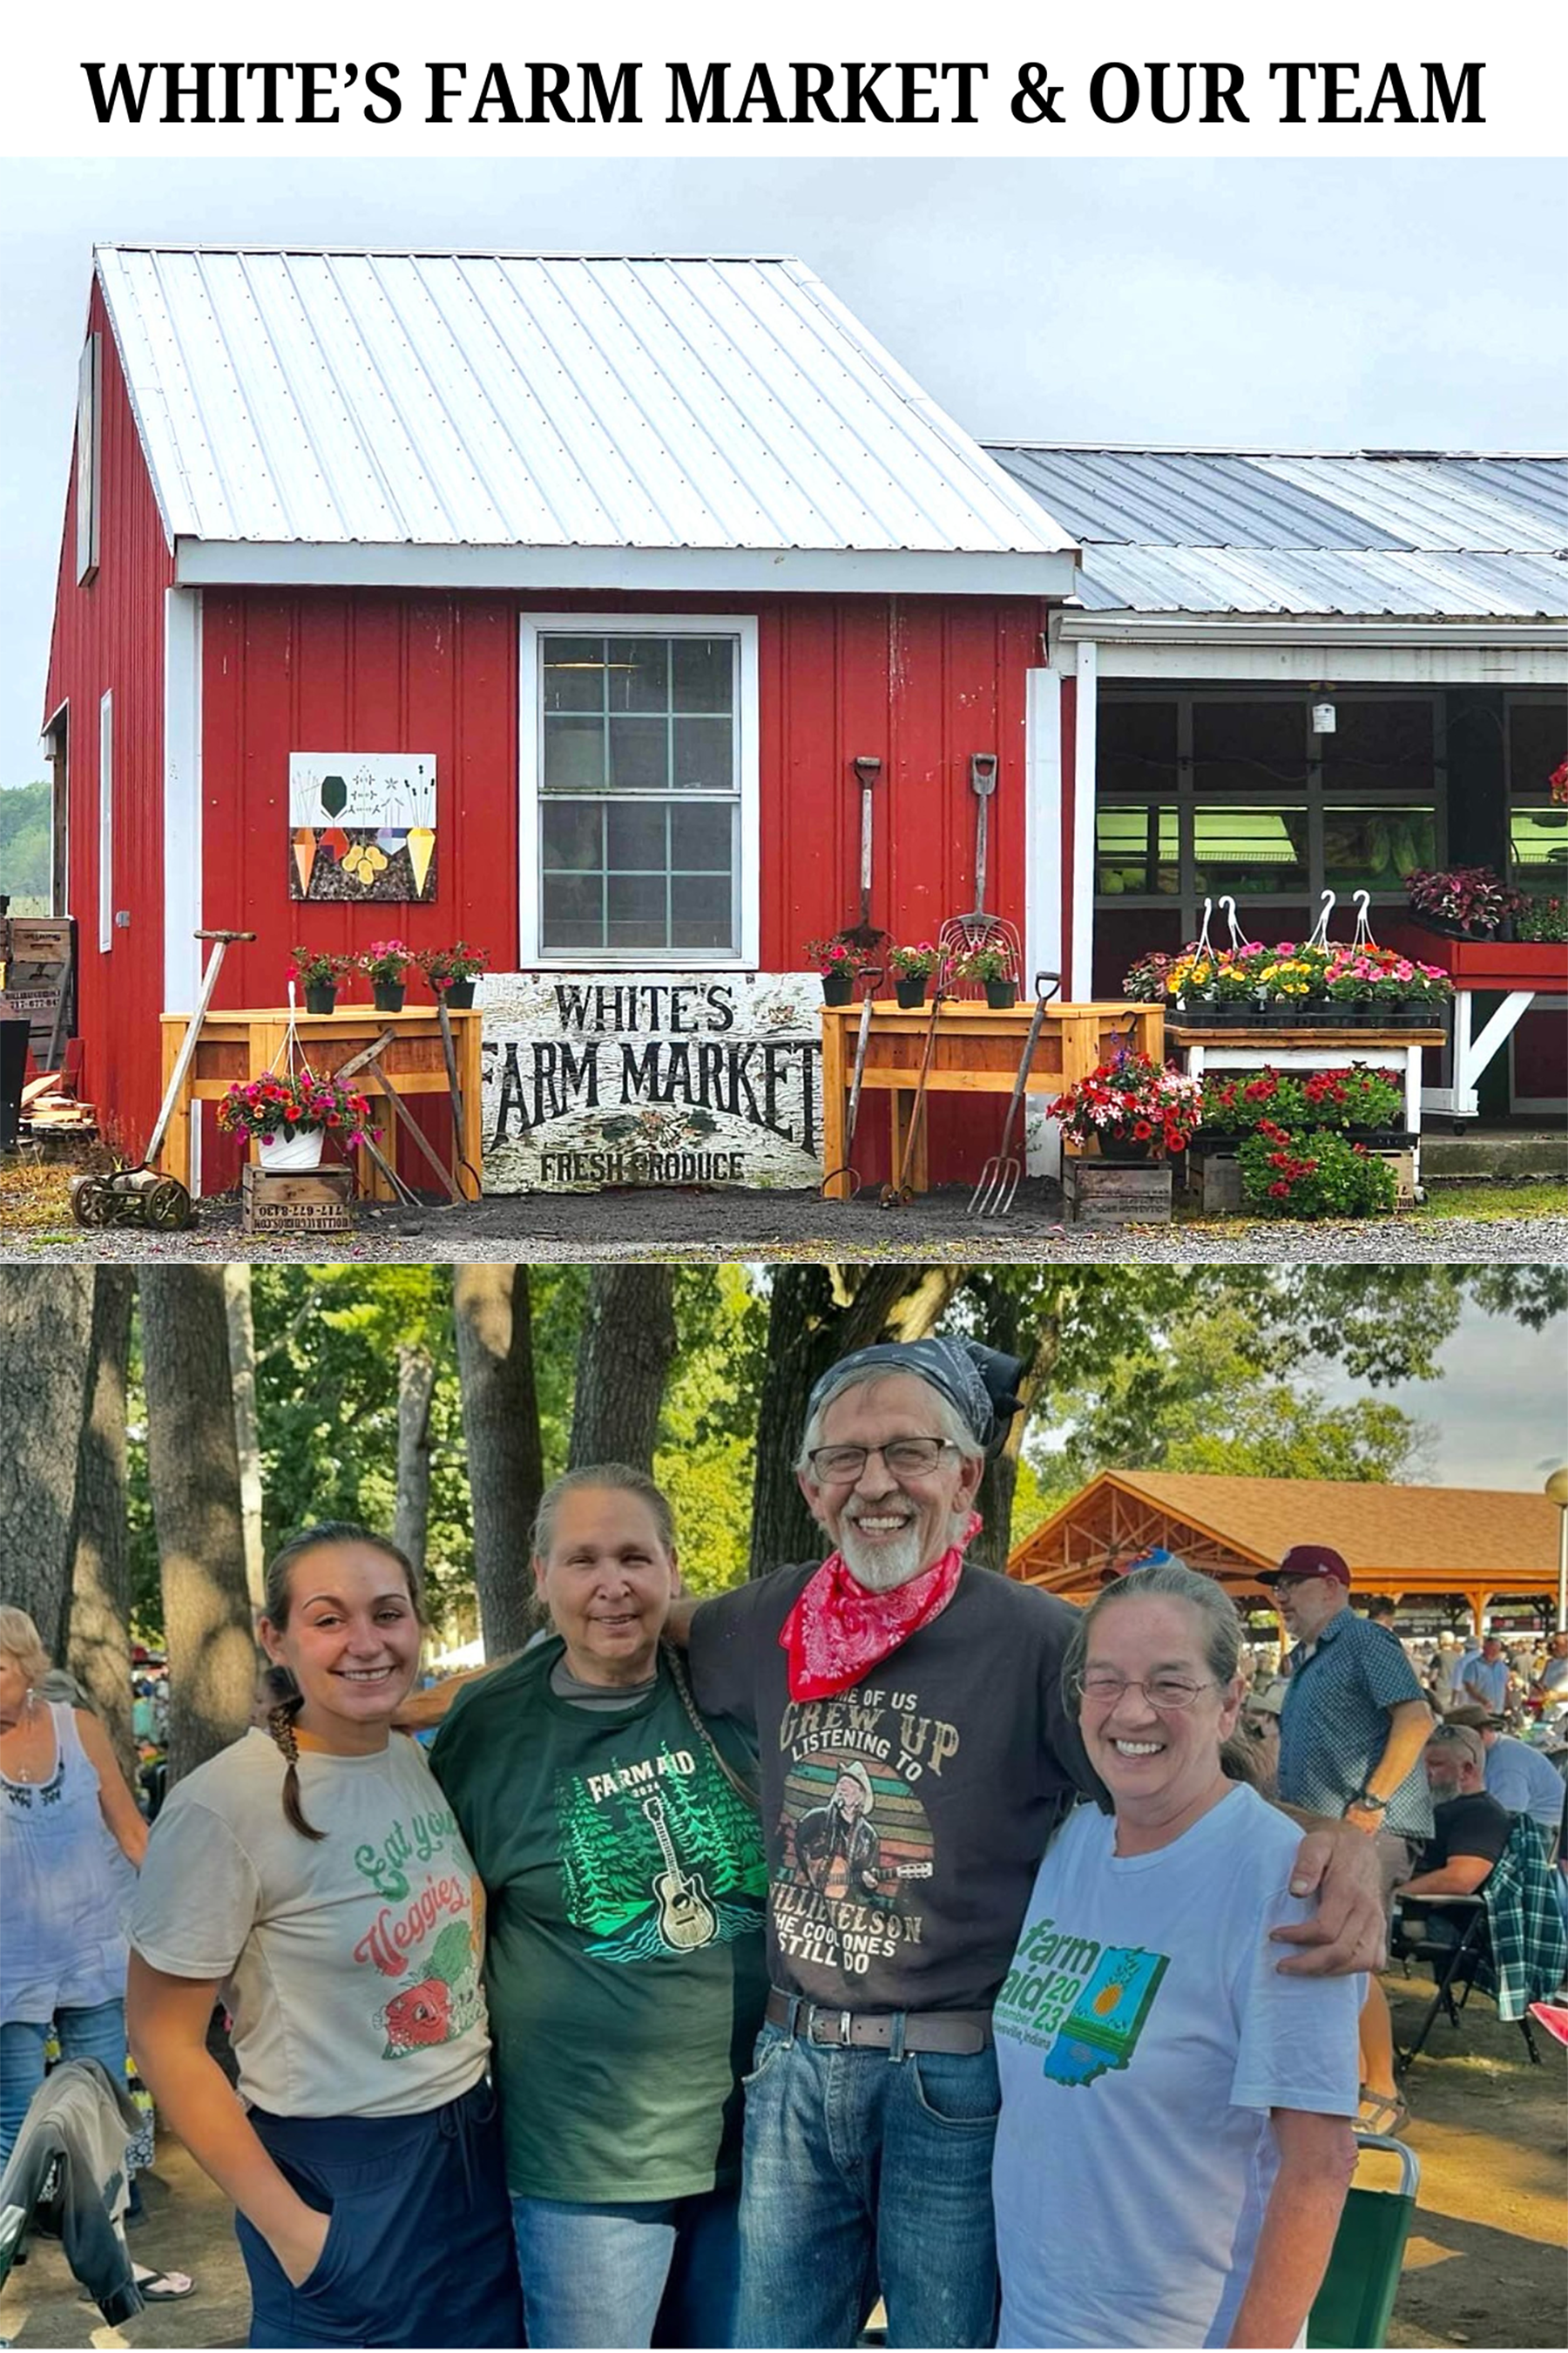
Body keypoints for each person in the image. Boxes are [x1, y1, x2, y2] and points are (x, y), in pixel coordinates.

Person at [672, 1338, 1383, 2351]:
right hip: (794, 2064)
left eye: (909, 1451)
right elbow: (624, 1628)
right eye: (846, 1457)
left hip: (950, 2077)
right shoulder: (765, 1617)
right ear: (810, 1485)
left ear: (965, 1475)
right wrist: (386, 1711)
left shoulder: (1048, 1641)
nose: (876, 1482)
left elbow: (1180, 1777)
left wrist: (1348, 1845)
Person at [125, 1523, 522, 2350]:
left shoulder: (410, 1758)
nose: (366, 1642)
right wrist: (297, 2233)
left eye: (388, 1613)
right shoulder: (222, 1806)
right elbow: (162, 2042)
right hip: (340, 2171)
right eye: (329, 1618)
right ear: (275, 1636)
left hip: (473, 2150)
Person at [429, 1466, 767, 2350]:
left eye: (634, 1556)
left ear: (673, 1570)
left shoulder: (736, 1685)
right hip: (584, 2165)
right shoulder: (489, 1726)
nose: (611, 1583)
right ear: (540, 1578)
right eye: (581, 1560)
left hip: (762, 2144)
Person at [990, 1561, 1360, 2349]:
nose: (1133, 1710)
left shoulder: (1282, 1880)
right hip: (1035, 2325)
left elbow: (1321, 2164)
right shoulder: (1077, 1841)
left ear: (1230, 1703)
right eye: (1106, 1680)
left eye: (1170, 1683)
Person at [0, 1604, 193, 2304]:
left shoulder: (77, 1729)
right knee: (17, 2125)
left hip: (91, 1946)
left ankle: (114, 2267)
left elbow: (132, 1831)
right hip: (7, 1963)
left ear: (27, 1668)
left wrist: (182, 1913)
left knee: (98, 2118)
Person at [1260, 1541, 1432, 2137]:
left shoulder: (1361, 1639)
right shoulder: (1310, 1656)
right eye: (1276, 1585)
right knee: (1336, 1955)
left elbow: (1416, 1717)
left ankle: (1380, 2090)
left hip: (1364, 1827)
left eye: (1293, 1583)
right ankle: (1350, 2089)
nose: (1279, 1595)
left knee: (1353, 1957)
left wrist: (1372, 1802)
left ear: (1333, 1587)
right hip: (1331, 1828)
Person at [1401, 1723, 1512, 1903]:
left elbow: (1460, 1879)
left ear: (1467, 1770)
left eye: (1436, 1764)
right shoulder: (1433, 1803)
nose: (1425, 1772)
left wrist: (1389, 1896)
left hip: (1425, 1915)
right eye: (1421, 1764)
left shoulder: (1482, 1814)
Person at [1444, 1705, 1565, 1839]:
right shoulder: (1493, 1751)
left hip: (1544, 1829)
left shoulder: (1505, 1765)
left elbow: (1504, 1819)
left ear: (1478, 1736)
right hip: (1534, 1822)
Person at [1457, 1634, 1511, 1716]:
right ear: (1484, 1649)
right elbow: (1469, 1687)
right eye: (1492, 1649)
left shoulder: (1502, 1667)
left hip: (1498, 1710)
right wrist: (1483, 1700)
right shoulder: (1473, 1665)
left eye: (1497, 1650)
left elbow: (1505, 1686)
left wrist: (1508, 1704)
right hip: (1480, 1711)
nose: (1495, 1652)